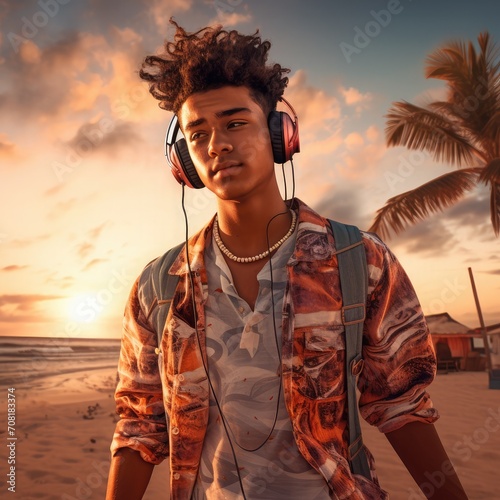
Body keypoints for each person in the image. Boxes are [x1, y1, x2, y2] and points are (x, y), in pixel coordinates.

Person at [106, 20, 468, 500]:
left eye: (235, 123)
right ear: (184, 161)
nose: (217, 145)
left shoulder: (360, 262)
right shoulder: (159, 287)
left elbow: (402, 405)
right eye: (198, 134)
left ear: (281, 135)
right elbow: (140, 427)